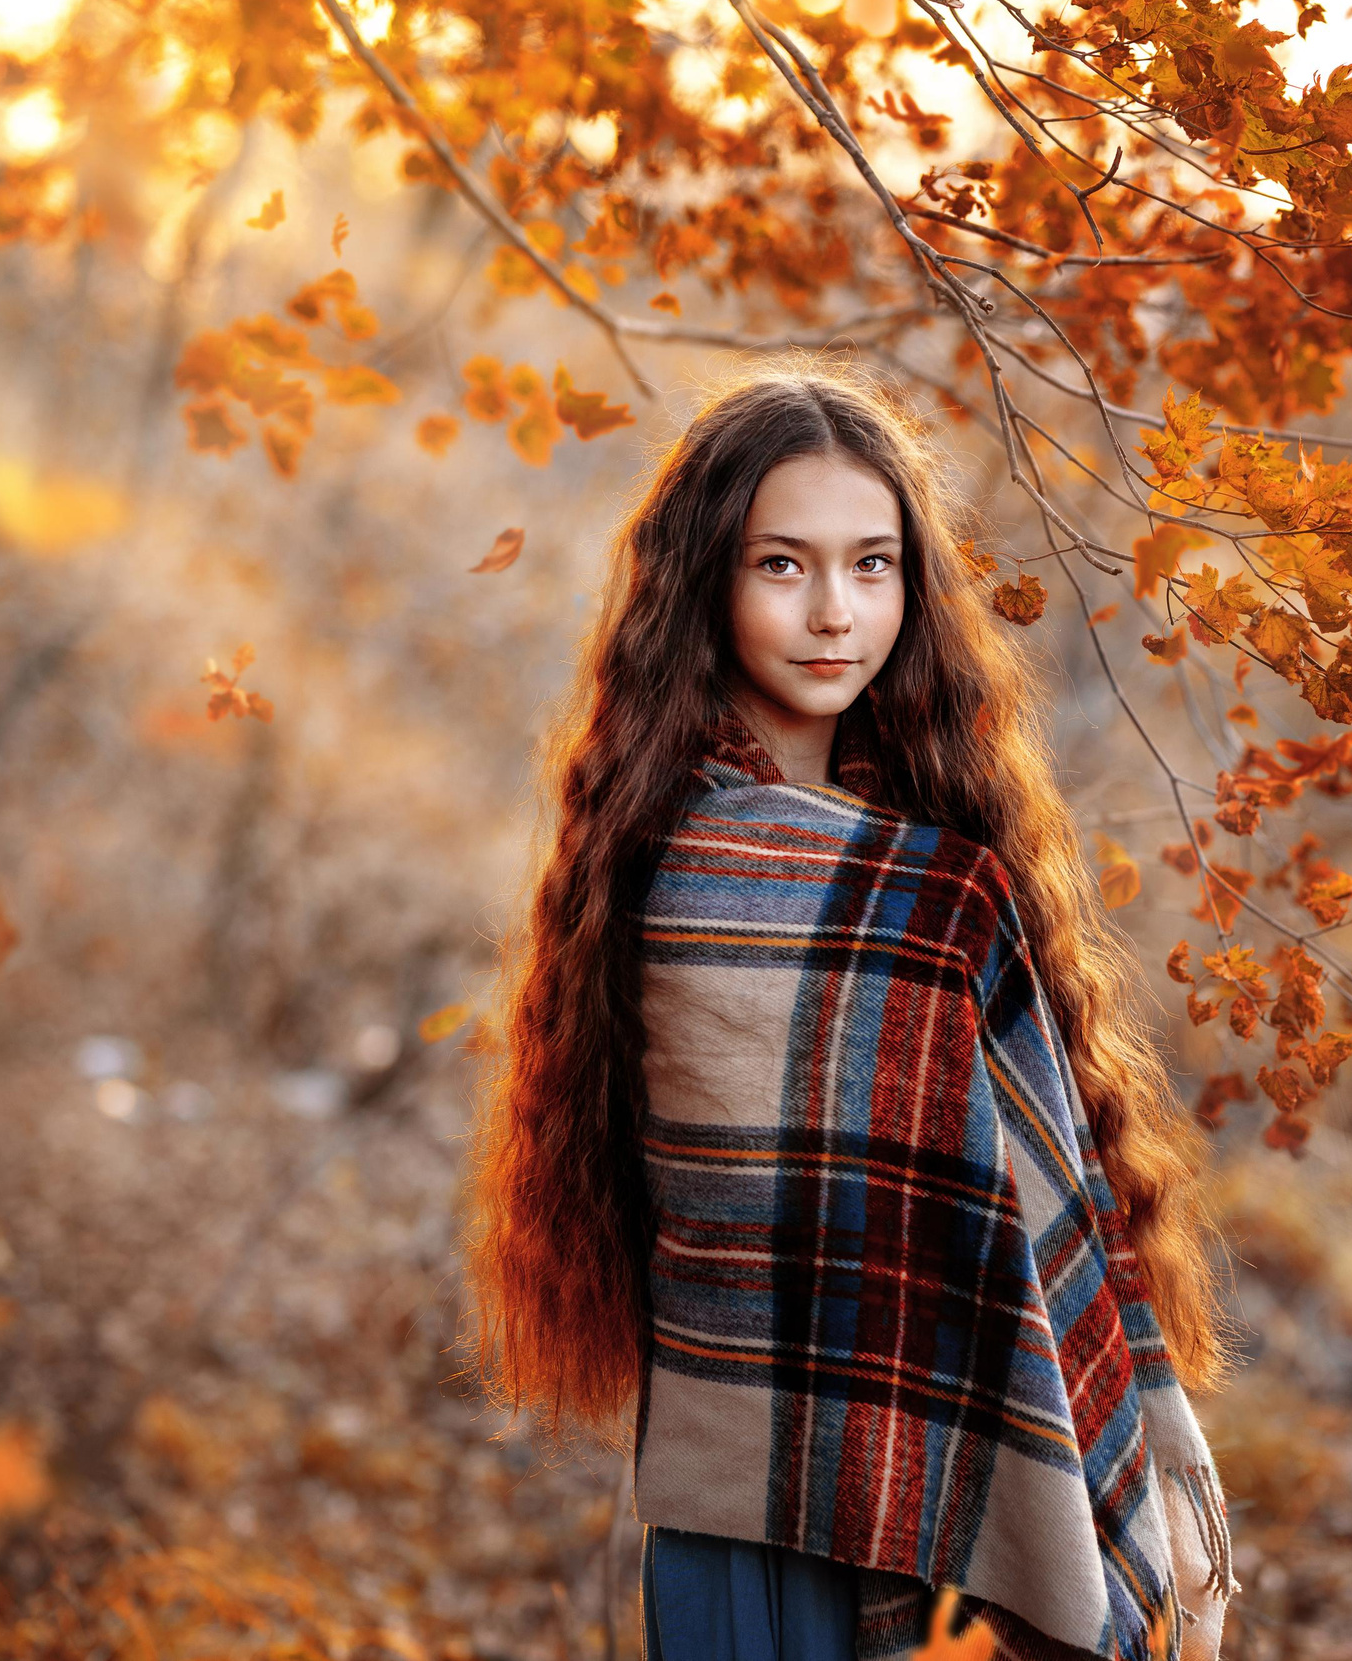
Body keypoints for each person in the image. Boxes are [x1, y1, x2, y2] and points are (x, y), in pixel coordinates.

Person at [464, 363, 1236, 1661]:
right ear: (706, 581)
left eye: (873, 565)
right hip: (746, 1539)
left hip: (949, 1502)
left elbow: (1028, 1220)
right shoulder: (683, 867)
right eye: (784, 565)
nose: (836, 612)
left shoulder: (936, 874)